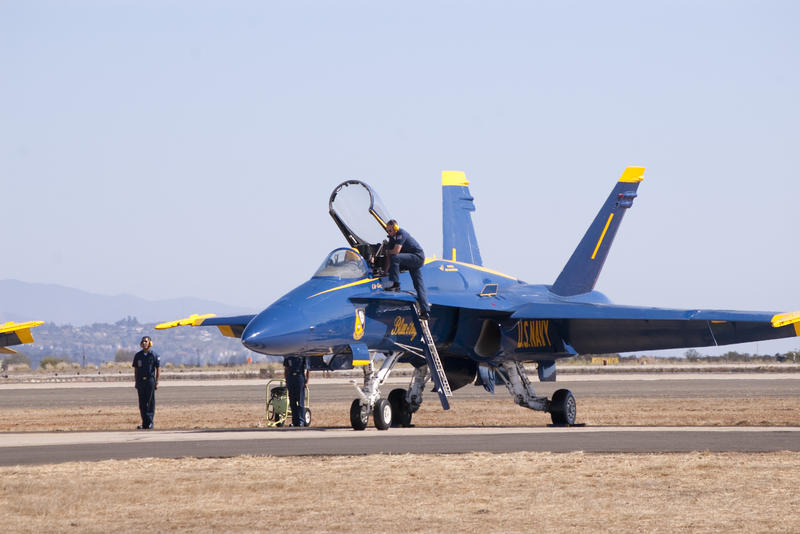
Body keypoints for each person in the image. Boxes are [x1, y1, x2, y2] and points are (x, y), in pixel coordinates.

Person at [384, 219, 431, 319]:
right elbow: (389, 259)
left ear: (395, 228)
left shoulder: (401, 233)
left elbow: (396, 251)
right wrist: (385, 271)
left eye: (390, 230)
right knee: (418, 285)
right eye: (387, 231)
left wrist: (387, 251)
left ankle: (395, 285)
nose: (389, 233)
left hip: (417, 257)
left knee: (395, 258)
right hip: (408, 260)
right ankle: (425, 312)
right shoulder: (392, 238)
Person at [132, 335, 160, 429]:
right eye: (143, 341)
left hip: (150, 381)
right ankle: (144, 423)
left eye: (146, 341)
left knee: (150, 402)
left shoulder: (154, 355)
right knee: (142, 403)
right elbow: (136, 369)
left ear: (150, 343)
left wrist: (157, 382)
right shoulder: (138, 356)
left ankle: (150, 422)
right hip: (141, 381)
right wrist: (136, 382)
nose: (144, 343)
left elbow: (158, 369)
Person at [284, 355, 309, 427]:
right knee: (292, 402)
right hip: (291, 378)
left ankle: (301, 421)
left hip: (299, 377)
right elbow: (286, 369)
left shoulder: (303, 356)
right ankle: (294, 421)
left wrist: (307, 381)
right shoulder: (288, 356)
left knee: (300, 401)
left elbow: (307, 369)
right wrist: (286, 380)